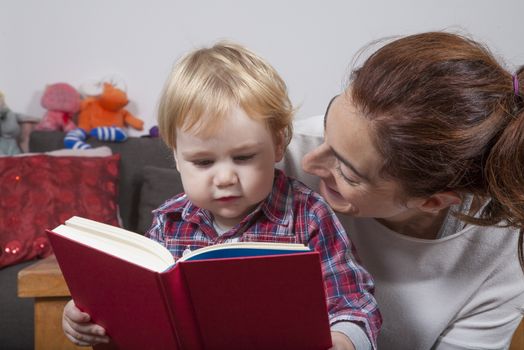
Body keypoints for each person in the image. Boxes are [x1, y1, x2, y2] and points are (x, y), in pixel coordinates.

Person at [62, 42, 381, 349]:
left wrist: (345, 341)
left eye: (243, 158)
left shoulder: (309, 216)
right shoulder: (168, 222)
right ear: (176, 156)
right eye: (203, 162)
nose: (226, 178)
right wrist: (86, 317)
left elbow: (353, 303)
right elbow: (138, 306)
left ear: (279, 144)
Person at [279, 31, 524, 349]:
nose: (311, 163)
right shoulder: (268, 159)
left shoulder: (501, 254)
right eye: (329, 123)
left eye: (347, 172)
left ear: (432, 201)